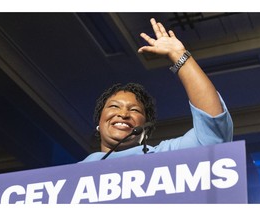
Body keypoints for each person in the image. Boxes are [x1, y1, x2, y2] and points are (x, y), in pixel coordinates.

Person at [81, 18, 233, 162]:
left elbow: (213, 134)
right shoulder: (71, 176)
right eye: (114, 106)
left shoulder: (162, 157)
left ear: (145, 129)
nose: (123, 114)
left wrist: (178, 55)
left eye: (135, 110)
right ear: (99, 123)